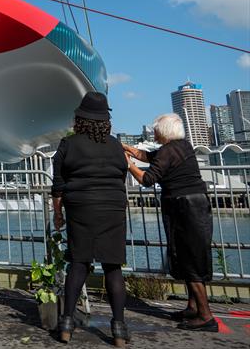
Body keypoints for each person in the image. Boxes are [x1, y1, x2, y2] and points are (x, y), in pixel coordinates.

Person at [123, 113, 217, 332]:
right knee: (188, 257)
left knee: (189, 258)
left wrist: (127, 164)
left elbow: (147, 180)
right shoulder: (181, 146)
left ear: (163, 131)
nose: (153, 132)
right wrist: (127, 148)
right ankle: (192, 307)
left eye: (155, 129)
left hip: (186, 209)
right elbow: (148, 156)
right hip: (194, 206)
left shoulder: (168, 150)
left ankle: (206, 316)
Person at [51, 92, 130, 346]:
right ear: (106, 120)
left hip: (81, 207)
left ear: (79, 119)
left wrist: (58, 214)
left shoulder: (68, 144)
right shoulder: (116, 144)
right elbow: (121, 174)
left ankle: (65, 325)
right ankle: (118, 329)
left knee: (79, 264)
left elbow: (58, 186)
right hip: (113, 207)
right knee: (113, 267)